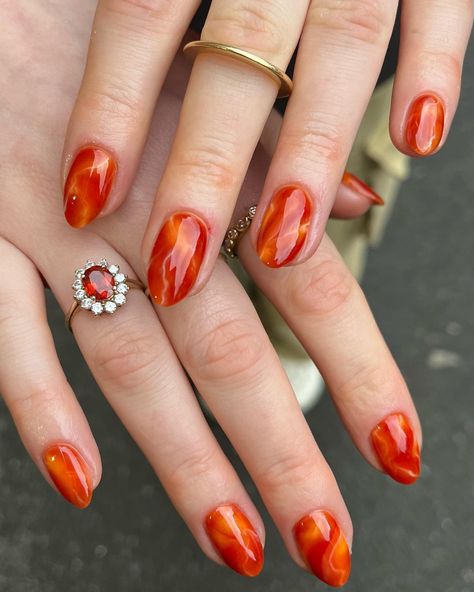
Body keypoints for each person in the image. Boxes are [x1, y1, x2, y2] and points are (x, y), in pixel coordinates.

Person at [0, 1, 471, 587]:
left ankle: (285, 338)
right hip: (81, 35)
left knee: (309, 223)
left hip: (356, 45)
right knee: (267, 236)